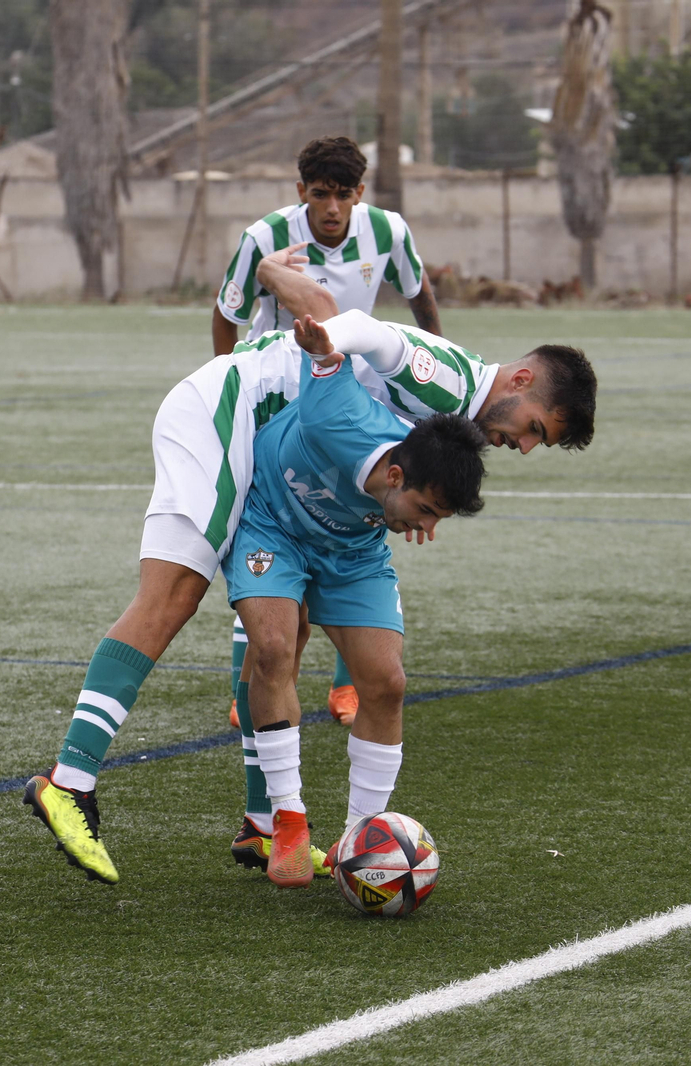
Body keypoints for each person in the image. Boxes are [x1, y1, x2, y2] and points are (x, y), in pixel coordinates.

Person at [23, 246, 596, 886]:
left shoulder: (456, 423)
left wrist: (271, 274)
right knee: (174, 594)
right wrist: (325, 345)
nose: (524, 446)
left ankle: (265, 825)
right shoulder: (451, 384)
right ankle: (69, 781)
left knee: (281, 639)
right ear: (520, 382)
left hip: (285, 457)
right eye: (534, 428)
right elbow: (361, 328)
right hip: (230, 411)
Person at [225, 314, 487, 886]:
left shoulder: (404, 489)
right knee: (273, 647)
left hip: (353, 553)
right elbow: (326, 347)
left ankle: (357, 840)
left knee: (387, 683)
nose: (427, 529)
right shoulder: (336, 416)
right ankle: (288, 823)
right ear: (394, 475)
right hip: (272, 524)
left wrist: (417, 512)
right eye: (425, 512)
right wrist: (320, 337)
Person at [213, 135, 443, 727]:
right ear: (301, 192)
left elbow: (419, 296)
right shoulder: (265, 237)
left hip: (351, 401)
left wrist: (435, 365)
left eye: (344, 194)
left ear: (360, 193)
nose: (333, 207)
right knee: (266, 530)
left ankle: (347, 687)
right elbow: (228, 314)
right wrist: (225, 381)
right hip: (276, 401)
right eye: (320, 194)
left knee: (360, 522)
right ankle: (253, 684)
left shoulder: (388, 231)